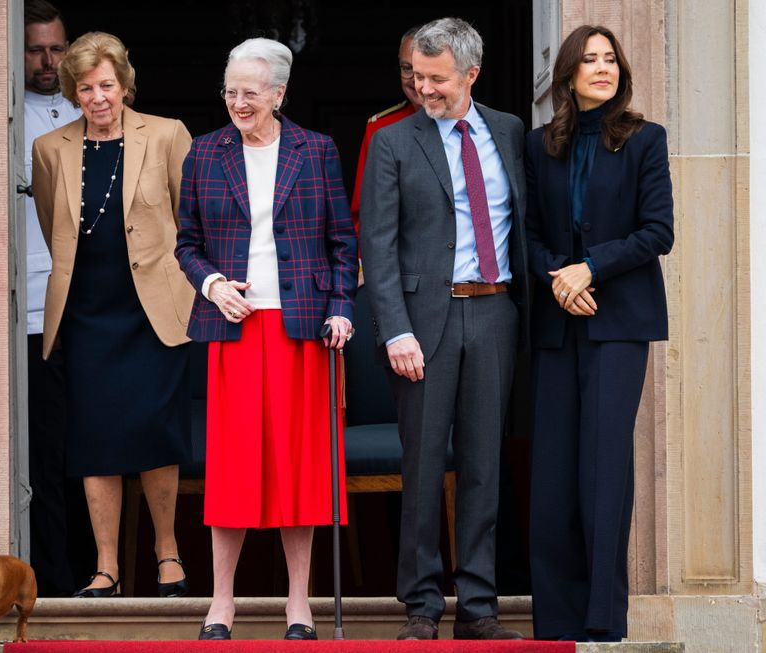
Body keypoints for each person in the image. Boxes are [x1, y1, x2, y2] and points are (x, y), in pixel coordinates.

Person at [175, 37, 357, 641]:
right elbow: (186, 243)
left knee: (298, 470)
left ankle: (298, 604)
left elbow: (341, 241)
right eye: (230, 92)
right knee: (232, 468)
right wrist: (212, 285)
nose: (238, 103)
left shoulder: (317, 149)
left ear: (279, 93)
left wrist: (341, 308)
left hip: (302, 328)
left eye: (250, 93)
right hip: (235, 329)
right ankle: (221, 603)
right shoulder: (205, 152)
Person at [359, 18, 529, 641]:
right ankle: (422, 606)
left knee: (485, 464)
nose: (423, 88)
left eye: (437, 79)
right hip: (422, 322)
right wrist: (394, 330)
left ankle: (479, 607)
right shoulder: (392, 140)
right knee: (425, 464)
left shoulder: (509, 131)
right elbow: (377, 246)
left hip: (495, 312)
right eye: (417, 76)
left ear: (471, 74)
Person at [31, 31, 194, 599]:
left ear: (124, 83)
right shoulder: (49, 148)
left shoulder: (168, 134)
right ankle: (106, 567)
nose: (97, 97)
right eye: (85, 88)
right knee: (94, 439)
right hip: (88, 316)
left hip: (153, 313)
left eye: (106, 85)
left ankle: (167, 553)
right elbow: (55, 228)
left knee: (155, 433)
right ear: (73, 93)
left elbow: (190, 221)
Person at [525, 25, 673, 643]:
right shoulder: (540, 146)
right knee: (554, 475)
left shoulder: (645, 139)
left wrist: (590, 267)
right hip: (558, 325)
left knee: (603, 469)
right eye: (589, 60)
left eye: (610, 59)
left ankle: (603, 621)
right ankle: (556, 623)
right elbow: (528, 232)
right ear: (568, 75)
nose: (603, 68)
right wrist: (558, 278)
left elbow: (658, 231)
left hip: (619, 325)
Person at [22, 0, 87, 599]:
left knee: (95, 447)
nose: (48, 62)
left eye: (57, 49)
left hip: (92, 308)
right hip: (35, 310)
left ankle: (104, 576)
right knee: (46, 453)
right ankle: (55, 583)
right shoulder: (5, 115)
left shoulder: (91, 108)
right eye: (36, 50)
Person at [349, 25, 423, 234]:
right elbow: (365, 214)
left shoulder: (474, 126)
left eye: (424, 68)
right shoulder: (381, 128)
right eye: (407, 68)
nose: (416, 80)